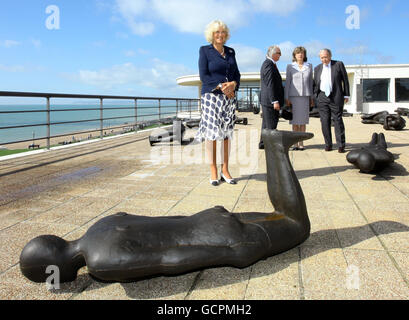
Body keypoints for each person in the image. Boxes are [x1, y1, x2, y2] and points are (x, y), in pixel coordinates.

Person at [196, 20, 241, 186]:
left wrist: (233, 84)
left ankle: (226, 169)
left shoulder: (231, 51)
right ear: (212, 35)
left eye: (222, 32)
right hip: (211, 97)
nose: (220, 35)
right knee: (212, 134)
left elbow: (237, 74)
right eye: (217, 32)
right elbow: (204, 76)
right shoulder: (204, 51)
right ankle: (213, 169)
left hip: (229, 98)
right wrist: (222, 86)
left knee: (227, 134)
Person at [313, 49, 350, 153]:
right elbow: (315, 83)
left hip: (336, 96)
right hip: (322, 97)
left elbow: (345, 80)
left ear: (330, 56)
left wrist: (346, 94)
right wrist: (315, 96)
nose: (324, 59)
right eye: (321, 57)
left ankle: (341, 145)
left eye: (325, 57)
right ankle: (328, 144)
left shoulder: (338, 64)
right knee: (324, 121)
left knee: (337, 120)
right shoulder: (317, 68)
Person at [285, 46, 314, 151]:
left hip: (305, 97)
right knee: (294, 122)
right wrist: (286, 97)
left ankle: (301, 143)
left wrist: (312, 98)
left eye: (302, 53)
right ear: (295, 55)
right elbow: (287, 83)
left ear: (304, 55)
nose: (300, 55)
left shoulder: (309, 66)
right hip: (293, 97)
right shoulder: (290, 67)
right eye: (298, 53)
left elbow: (310, 83)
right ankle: (294, 143)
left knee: (303, 121)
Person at [259, 45, 284, 150]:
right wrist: (275, 101)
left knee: (266, 124)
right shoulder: (268, 65)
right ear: (273, 54)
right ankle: (270, 146)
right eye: (279, 53)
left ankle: (263, 143)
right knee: (271, 125)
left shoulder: (270, 64)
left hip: (267, 101)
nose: (280, 55)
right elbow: (270, 84)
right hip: (270, 101)